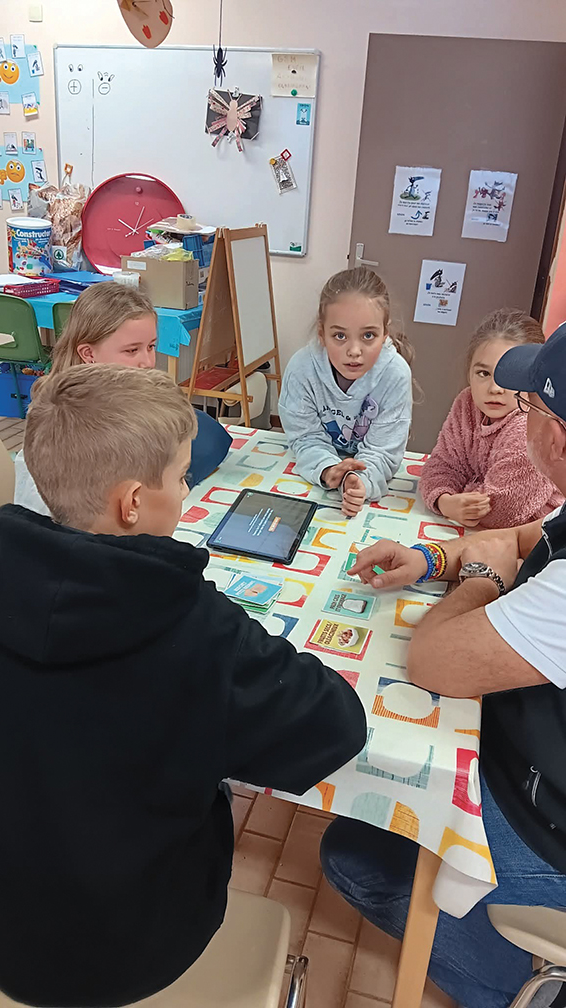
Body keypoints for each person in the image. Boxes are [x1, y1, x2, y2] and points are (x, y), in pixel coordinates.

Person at [0, 365, 366, 1008]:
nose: (187, 488)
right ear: (134, 502)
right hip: (136, 947)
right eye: (180, 476)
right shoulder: (192, 625)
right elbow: (337, 722)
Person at [320, 322, 566, 1008]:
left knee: (357, 855)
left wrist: (478, 578)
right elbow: (519, 536)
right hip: (535, 759)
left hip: (550, 825)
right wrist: (434, 558)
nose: (518, 415)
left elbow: (433, 660)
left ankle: (515, 989)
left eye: (533, 409)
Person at [13, 281, 231, 513]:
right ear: (88, 353)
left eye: (151, 347)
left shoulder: (135, 401)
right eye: (131, 350)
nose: (147, 363)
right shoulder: (64, 423)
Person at [279, 267, 413, 517]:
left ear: (385, 334)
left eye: (368, 336)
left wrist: (361, 482)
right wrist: (329, 470)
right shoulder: (302, 369)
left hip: (368, 487)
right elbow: (304, 437)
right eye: (340, 335)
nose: (354, 350)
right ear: (322, 333)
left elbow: (384, 451)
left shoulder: (395, 374)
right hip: (314, 479)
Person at [419, 309, 561, 528]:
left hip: (536, 538)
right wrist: (445, 501)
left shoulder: (532, 422)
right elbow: (440, 465)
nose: (495, 388)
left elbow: (501, 510)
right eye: (483, 374)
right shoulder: (466, 403)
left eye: (509, 377)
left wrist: (461, 495)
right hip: (477, 530)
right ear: (469, 373)